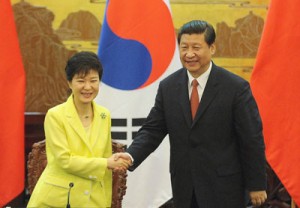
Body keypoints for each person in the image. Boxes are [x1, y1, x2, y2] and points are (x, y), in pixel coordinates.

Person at [115, 20, 267, 207]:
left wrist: (257, 184)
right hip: (184, 188)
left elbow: (251, 138)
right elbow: (152, 130)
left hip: (225, 188)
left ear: (212, 48)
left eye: (196, 47)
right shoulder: (168, 87)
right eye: (184, 47)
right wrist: (130, 156)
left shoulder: (235, 87)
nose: (189, 54)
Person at [27, 51, 130, 208]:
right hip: (59, 199)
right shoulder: (55, 115)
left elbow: (106, 169)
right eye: (81, 81)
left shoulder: (104, 115)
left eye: (93, 81)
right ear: (69, 82)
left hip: (94, 199)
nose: (87, 87)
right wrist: (105, 163)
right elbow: (64, 161)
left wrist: (106, 201)